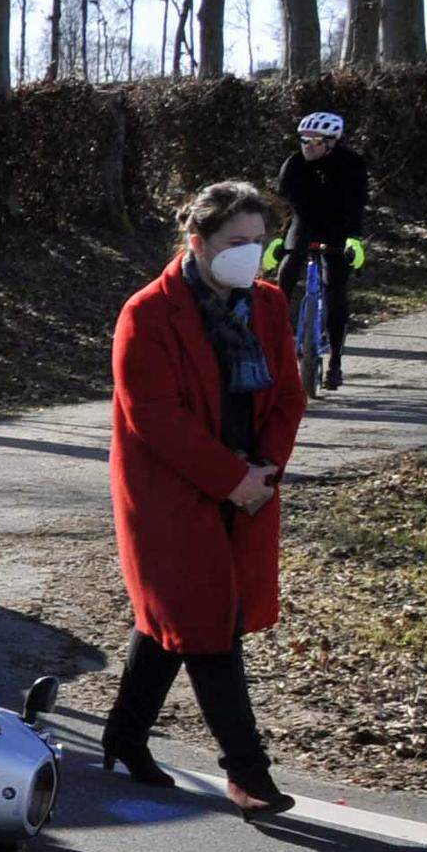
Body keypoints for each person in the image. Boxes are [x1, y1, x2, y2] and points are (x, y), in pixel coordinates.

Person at [105, 179, 306, 816]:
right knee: (209, 626)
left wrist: (264, 471)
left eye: (261, 243)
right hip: (171, 491)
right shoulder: (148, 312)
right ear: (198, 242)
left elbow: (288, 395)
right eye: (237, 242)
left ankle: (124, 735)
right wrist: (232, 477)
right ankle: (247, 773)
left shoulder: (269, 305)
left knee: (175, 621)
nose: (253, 255)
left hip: (247, 486)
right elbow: (156, 417)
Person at [270, 111, 369, 390]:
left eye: (316, 142)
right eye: (304, 140)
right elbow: (285, 207)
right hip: (304, 224)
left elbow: (357, 206)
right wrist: (279, 240)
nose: (308, 146)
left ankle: (335, 363)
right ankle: (280, 338)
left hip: (339, 226)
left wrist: (355, 239)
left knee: (335, 288)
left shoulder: (351, 164)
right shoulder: (294, 164)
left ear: (332, 143)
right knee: (286, 272)